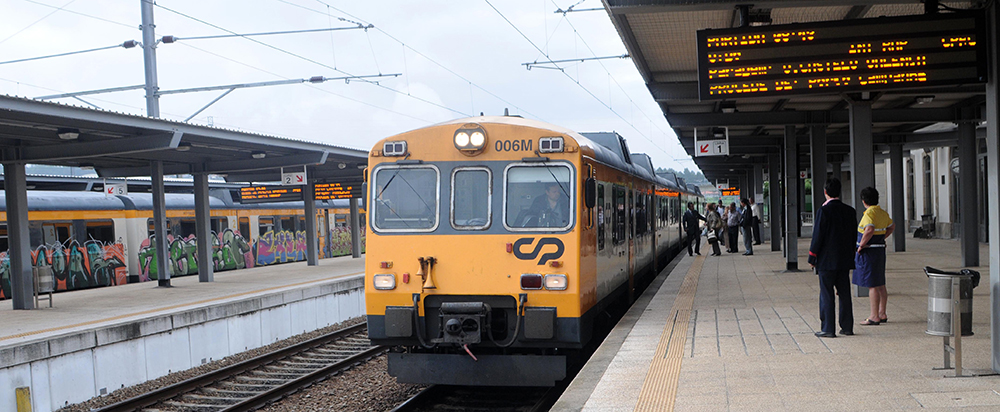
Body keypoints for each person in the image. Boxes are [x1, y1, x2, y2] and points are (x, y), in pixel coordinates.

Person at [808, 178, 857, 338]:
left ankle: (828, 328)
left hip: (826, 261)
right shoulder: (850, 211)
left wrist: (812, 256)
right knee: (844, 294)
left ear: (825, 192)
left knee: (827, 293)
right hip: (844, 260)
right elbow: (852, 236)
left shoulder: (823, 211)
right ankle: (847, 326)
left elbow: (818, 236)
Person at [854, 187, 895, 326]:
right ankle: (882, 313)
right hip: (879, 250)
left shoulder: (868, 214)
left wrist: (861, 245)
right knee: (880, 283)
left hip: (869, 251)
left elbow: (869, 229)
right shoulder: (882, 213)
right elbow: (892, 226)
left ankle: (874, 316)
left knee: (872, 285)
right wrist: (883, 237)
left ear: (863, 201)